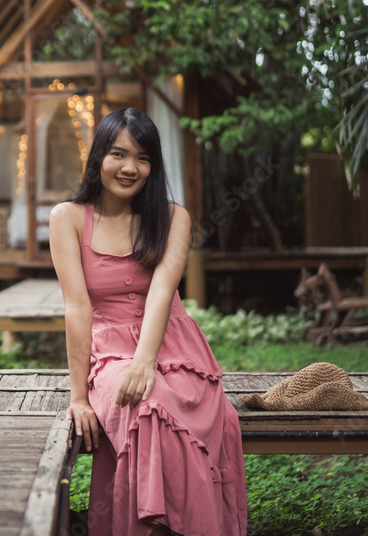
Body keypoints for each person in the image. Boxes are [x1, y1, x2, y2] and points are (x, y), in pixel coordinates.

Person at [48, 107, 247, 535]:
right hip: (111, 348)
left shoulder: (174, 218)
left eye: (143, 158)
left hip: (173, 345)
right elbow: (77, 308)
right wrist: (79, 397)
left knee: (183, 407)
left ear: (153, 166)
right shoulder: (67, 218)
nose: (129, 168)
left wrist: (145, 361)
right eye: (118, 154)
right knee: (146, 406)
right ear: (99, 156)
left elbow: (161, 292)